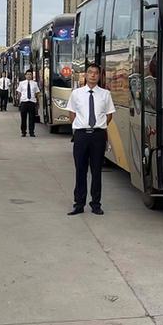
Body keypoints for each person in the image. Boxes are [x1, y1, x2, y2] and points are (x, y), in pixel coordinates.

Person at [66, 63, 115, 216]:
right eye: (90, 72)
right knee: (80, 170)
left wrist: (99, 126)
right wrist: (79, 126)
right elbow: (72, 113)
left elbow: (109, 115)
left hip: (98, 136)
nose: (93, 75)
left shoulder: (105, 94)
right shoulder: (76, 93)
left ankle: (96, 204)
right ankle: (79, 204)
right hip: (81, 135)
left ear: (99, 76)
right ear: (85, 75)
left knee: (96, 170)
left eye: (96, 73)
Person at [16, 69, 40, 137]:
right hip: (24, 102)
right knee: (23, 118)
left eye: (30, 74)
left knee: (32, 118)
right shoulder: (21, 83)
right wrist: (19, 101)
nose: (29, 76)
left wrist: (37, 102)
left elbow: (37, 93)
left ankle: (31, 132)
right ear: (25, 75)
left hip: (32, 102)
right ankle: (23, 132)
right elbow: (19, 92)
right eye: (28, 74)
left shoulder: (35, 83)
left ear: (32, 76)